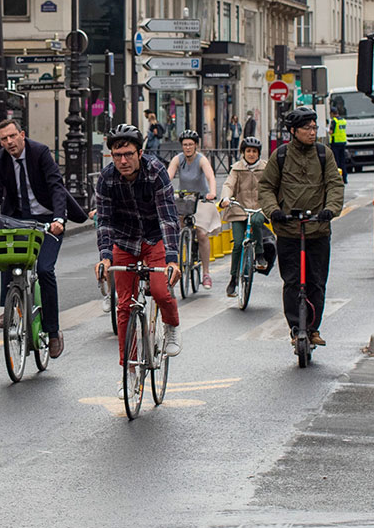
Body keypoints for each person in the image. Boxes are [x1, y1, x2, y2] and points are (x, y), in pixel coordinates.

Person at [0, 115, 71, 358]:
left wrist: (59, 219)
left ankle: (53, 332)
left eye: (12, 136)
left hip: (48, 220)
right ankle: (8, 307)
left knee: (44, 270)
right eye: (3, 139)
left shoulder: (39, 152)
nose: (9, 142)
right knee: (6, 255)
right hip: (18, 219)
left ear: (22, 134)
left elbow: (56, 186)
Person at [94, 124, 184, 357]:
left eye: (128, 154)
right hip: (124, 240)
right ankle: (129, 371)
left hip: (155, 237)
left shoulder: (155, 171)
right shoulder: (106, 178)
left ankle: (172, 326)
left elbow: (168, 216)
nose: (123, 161)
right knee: (124, 306)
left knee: (161, 291)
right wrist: (104, 257)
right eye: (117, 155)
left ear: (140, 154)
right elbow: (103, 221)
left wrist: (172, 259)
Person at [259, 106, 344, 349]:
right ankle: (297, 329)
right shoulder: (281, 155)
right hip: (288, 231)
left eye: (315, 127)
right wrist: (274, 211)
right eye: (307, 128)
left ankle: (313, 329)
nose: (312, 132)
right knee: (293, 282)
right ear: (294, 131)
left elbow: (335, 185)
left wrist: (330, 209)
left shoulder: (323, 154)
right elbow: (266, 187)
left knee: (317, 281)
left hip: (317, 229)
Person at [166, 129, 220, 289]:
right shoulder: (178, 159)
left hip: (202, 199)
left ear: (196, 145)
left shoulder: (201, 160)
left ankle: (206, 273)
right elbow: (168, 175)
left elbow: (210, 176)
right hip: (185, 199)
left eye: (190, 144)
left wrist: (212, 192)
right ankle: (177, 262)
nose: (188, 147)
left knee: (202, 234)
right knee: (176, 231)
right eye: (185, 145)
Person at [220, 134, 273, 294]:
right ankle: (233, 279)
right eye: (248, 151)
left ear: (258, 153)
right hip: (239, 210)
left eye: (254, 151)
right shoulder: (237, 168)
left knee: (257, 221)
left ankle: (260, 255)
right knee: (237, 244)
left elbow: (272, 186)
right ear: (243, 152)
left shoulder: (266, 168)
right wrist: (225, 198)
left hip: (259, 208)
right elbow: (229, 184)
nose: (251, 154)